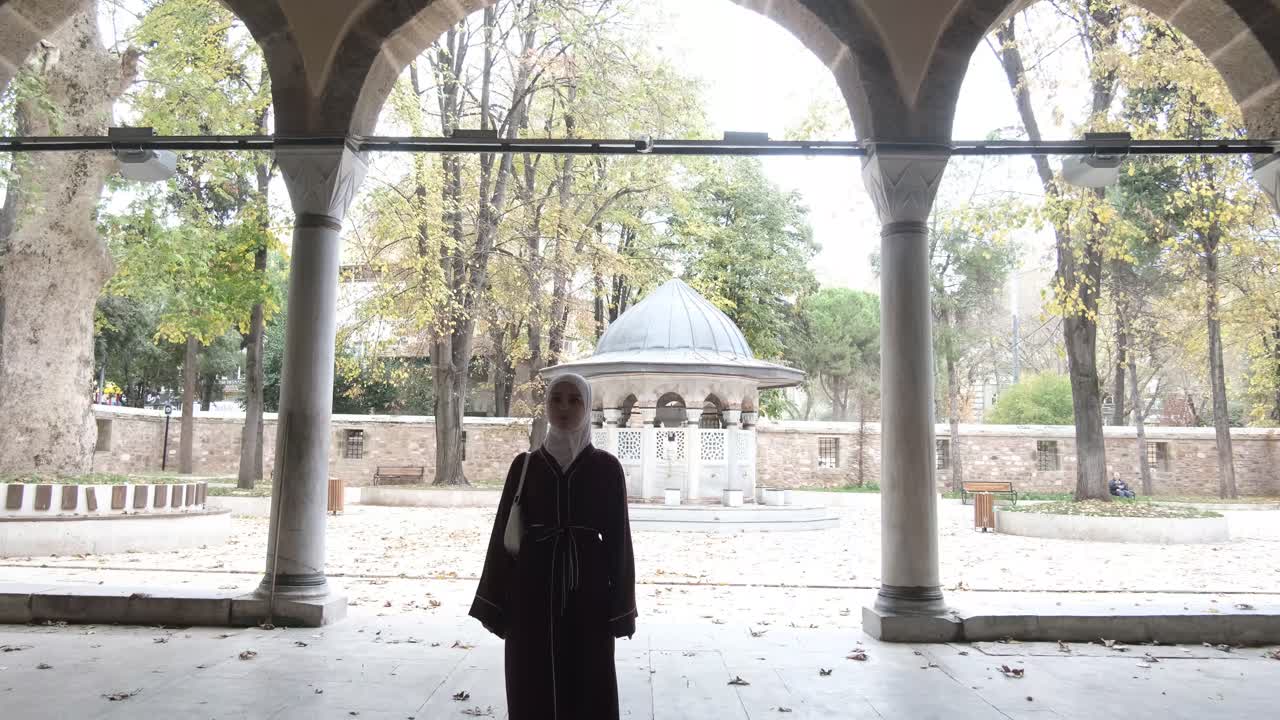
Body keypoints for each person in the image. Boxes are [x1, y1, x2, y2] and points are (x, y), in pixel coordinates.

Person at [469, 373, 636, 720]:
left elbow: (620, 543)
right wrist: (493, 603)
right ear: (545, 405)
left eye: (574, 399)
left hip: (588, 595)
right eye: (556, 398)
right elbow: (503, 537)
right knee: (531, 682)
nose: (564, 407)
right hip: (531, 593)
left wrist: (622, 609)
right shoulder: (525, 465)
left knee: (590, 683)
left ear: (587, 406)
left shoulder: (606, 468)